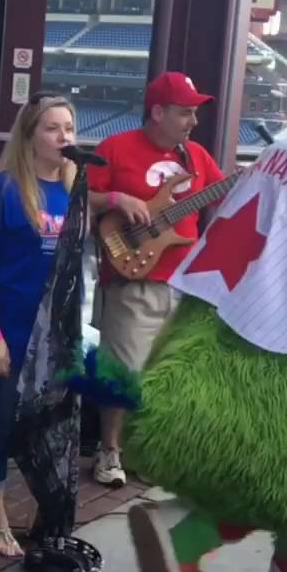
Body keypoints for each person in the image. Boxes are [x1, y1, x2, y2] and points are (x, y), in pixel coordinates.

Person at [86, 72, 225, 488]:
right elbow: (78, 198)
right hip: (134, 279)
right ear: (158, 111)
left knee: (168, 373)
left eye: (195, 113)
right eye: (185, 112)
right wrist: (117, 199)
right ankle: (108, 451)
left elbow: (226, 193)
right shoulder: (116, 148)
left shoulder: (197, 156)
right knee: (123, 369)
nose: (193, 121)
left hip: (185, 283)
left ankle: (146, 451)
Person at [0, 93, 77, 558]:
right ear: (31, 135)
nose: (63, 137)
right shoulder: (7, 186)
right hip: (11, 327)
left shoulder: (74, 190)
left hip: (57, 334)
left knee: (51, 424)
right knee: (0, 423)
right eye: (53, 128)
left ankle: (45, 512)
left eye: (69, 127)